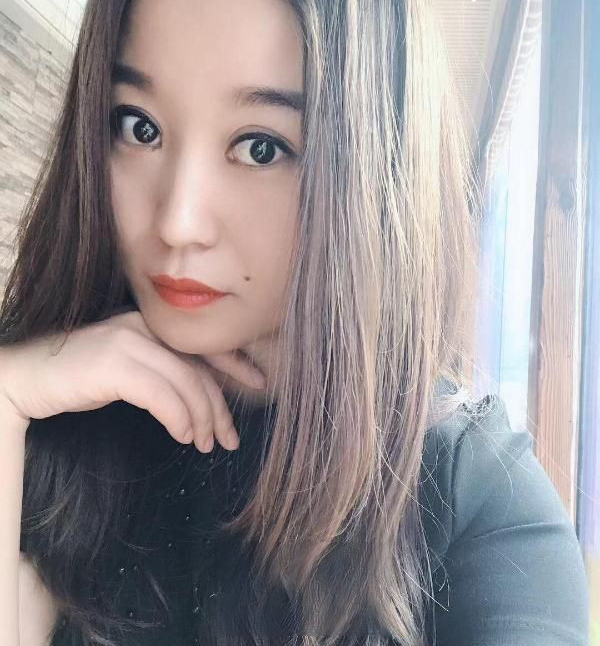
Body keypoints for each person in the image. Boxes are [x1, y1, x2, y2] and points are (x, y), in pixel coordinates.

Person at [0, 0, 588, 644]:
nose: (178, 222)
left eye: (261, 147)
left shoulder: (477, 496)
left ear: (374, 173)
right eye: (139, 128)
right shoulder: (46, 424)